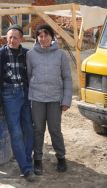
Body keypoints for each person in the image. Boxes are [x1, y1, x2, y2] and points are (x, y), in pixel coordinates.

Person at [27, 23, 72, 175]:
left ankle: (61, 157)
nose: (43, 38)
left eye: (46, 35)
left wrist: (66, 100)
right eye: (40, 35)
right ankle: (37, 160)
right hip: (37, 98)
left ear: (52, 37)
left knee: (55, 130)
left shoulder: (61, 55)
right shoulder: (31, 55)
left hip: (55, 99)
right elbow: (28, 77)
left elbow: (67, 78)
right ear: (37, 38)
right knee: (38, 130)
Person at [0, 24, 35, 182]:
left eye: (15, 37)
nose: (11, 40)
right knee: (16, 132)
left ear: (21, 39)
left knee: (29, 129)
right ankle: (25, 168)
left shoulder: (27, 54)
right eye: (9, 37)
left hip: (26, 94)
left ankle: (26, 159)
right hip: (9, 95)